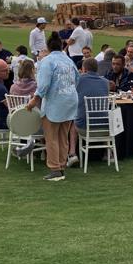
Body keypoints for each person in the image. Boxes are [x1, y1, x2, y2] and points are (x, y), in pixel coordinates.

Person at [24, 34, 79, 182]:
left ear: (48, 47)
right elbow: (77, 79)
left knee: (51, 137)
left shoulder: (47, 61)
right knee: (63, 136)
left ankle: (55, 169)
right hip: (70, 99)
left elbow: (43, 85)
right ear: (61, 46)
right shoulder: (69, 60)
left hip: (55, 102)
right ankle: (61, 166)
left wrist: (34, 101)